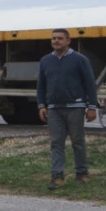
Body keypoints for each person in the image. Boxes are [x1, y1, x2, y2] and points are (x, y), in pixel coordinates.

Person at [36, 28, 97, 190]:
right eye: (54, 38)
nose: (56, 41)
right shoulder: (45, 61)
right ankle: (57, 176)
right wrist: (42, 105)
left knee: (77, 141)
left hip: (75, 106)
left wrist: (92, 106)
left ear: (68, 41)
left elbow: (90, 84)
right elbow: (41, 85)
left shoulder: (79, 60)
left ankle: (82, 173)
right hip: (54, 109)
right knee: (56, 143)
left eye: (60, 38)